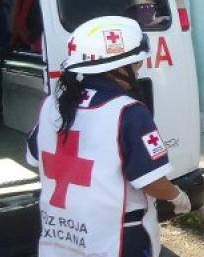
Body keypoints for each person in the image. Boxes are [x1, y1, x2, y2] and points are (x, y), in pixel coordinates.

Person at [26, 16, 191, 257]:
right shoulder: (128, 112)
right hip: (117, 240)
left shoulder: (53, 105)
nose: (139, 69)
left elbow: (34, 156)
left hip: (61, 239)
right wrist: (178, 197)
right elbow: (150, 180)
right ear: (118, 67)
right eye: (136, 63)